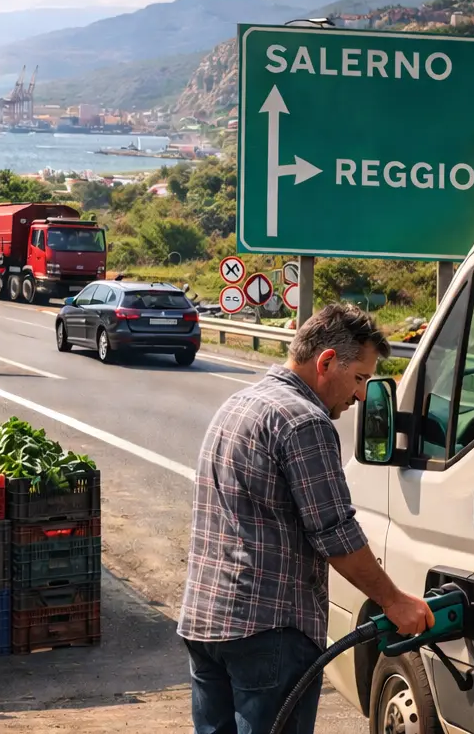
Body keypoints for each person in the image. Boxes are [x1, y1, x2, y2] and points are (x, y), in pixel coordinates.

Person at [178, 303, 434, 734]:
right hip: (268, 631)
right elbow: (335, 533)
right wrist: (394, 601)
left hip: (206, 623)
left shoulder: (238, 405)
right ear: (326, 362)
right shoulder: (304, 422)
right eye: (359, 378)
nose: (360, 395)